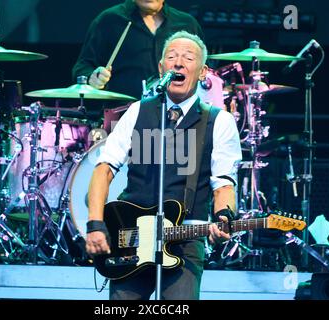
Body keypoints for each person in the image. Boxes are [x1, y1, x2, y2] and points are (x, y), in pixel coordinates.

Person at [85, 31, 242, 300]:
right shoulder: (138, 111)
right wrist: (95, 224)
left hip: (185, 238)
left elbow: (223, 183)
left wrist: (224, 217)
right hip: (130, 237)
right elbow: (104, 169)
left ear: (202, 72)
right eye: (171, 57)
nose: (178, 63)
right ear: (161, 68)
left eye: (188, 58)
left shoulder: (219, 121)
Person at [72, 0, 204, 100]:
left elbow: (205, 74)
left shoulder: (187, 24)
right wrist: (93, 78)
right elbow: (83, 67)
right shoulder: (109, 20)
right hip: (122, 117)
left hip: (176, 118)